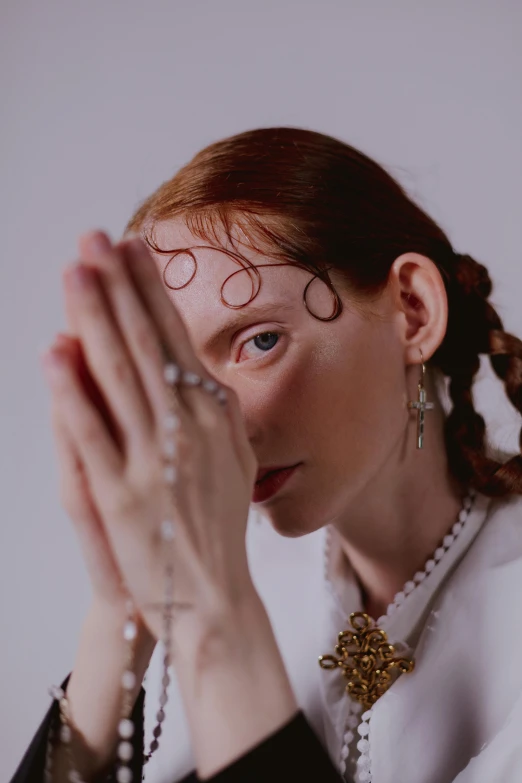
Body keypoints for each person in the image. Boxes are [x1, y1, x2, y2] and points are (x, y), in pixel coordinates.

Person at [10, 127, 522, 783]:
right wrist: (122, 609)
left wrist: (215, 619)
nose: (216, 423)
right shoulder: (222, 565)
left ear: (413, 311)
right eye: (181, 374)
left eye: (258, 341)